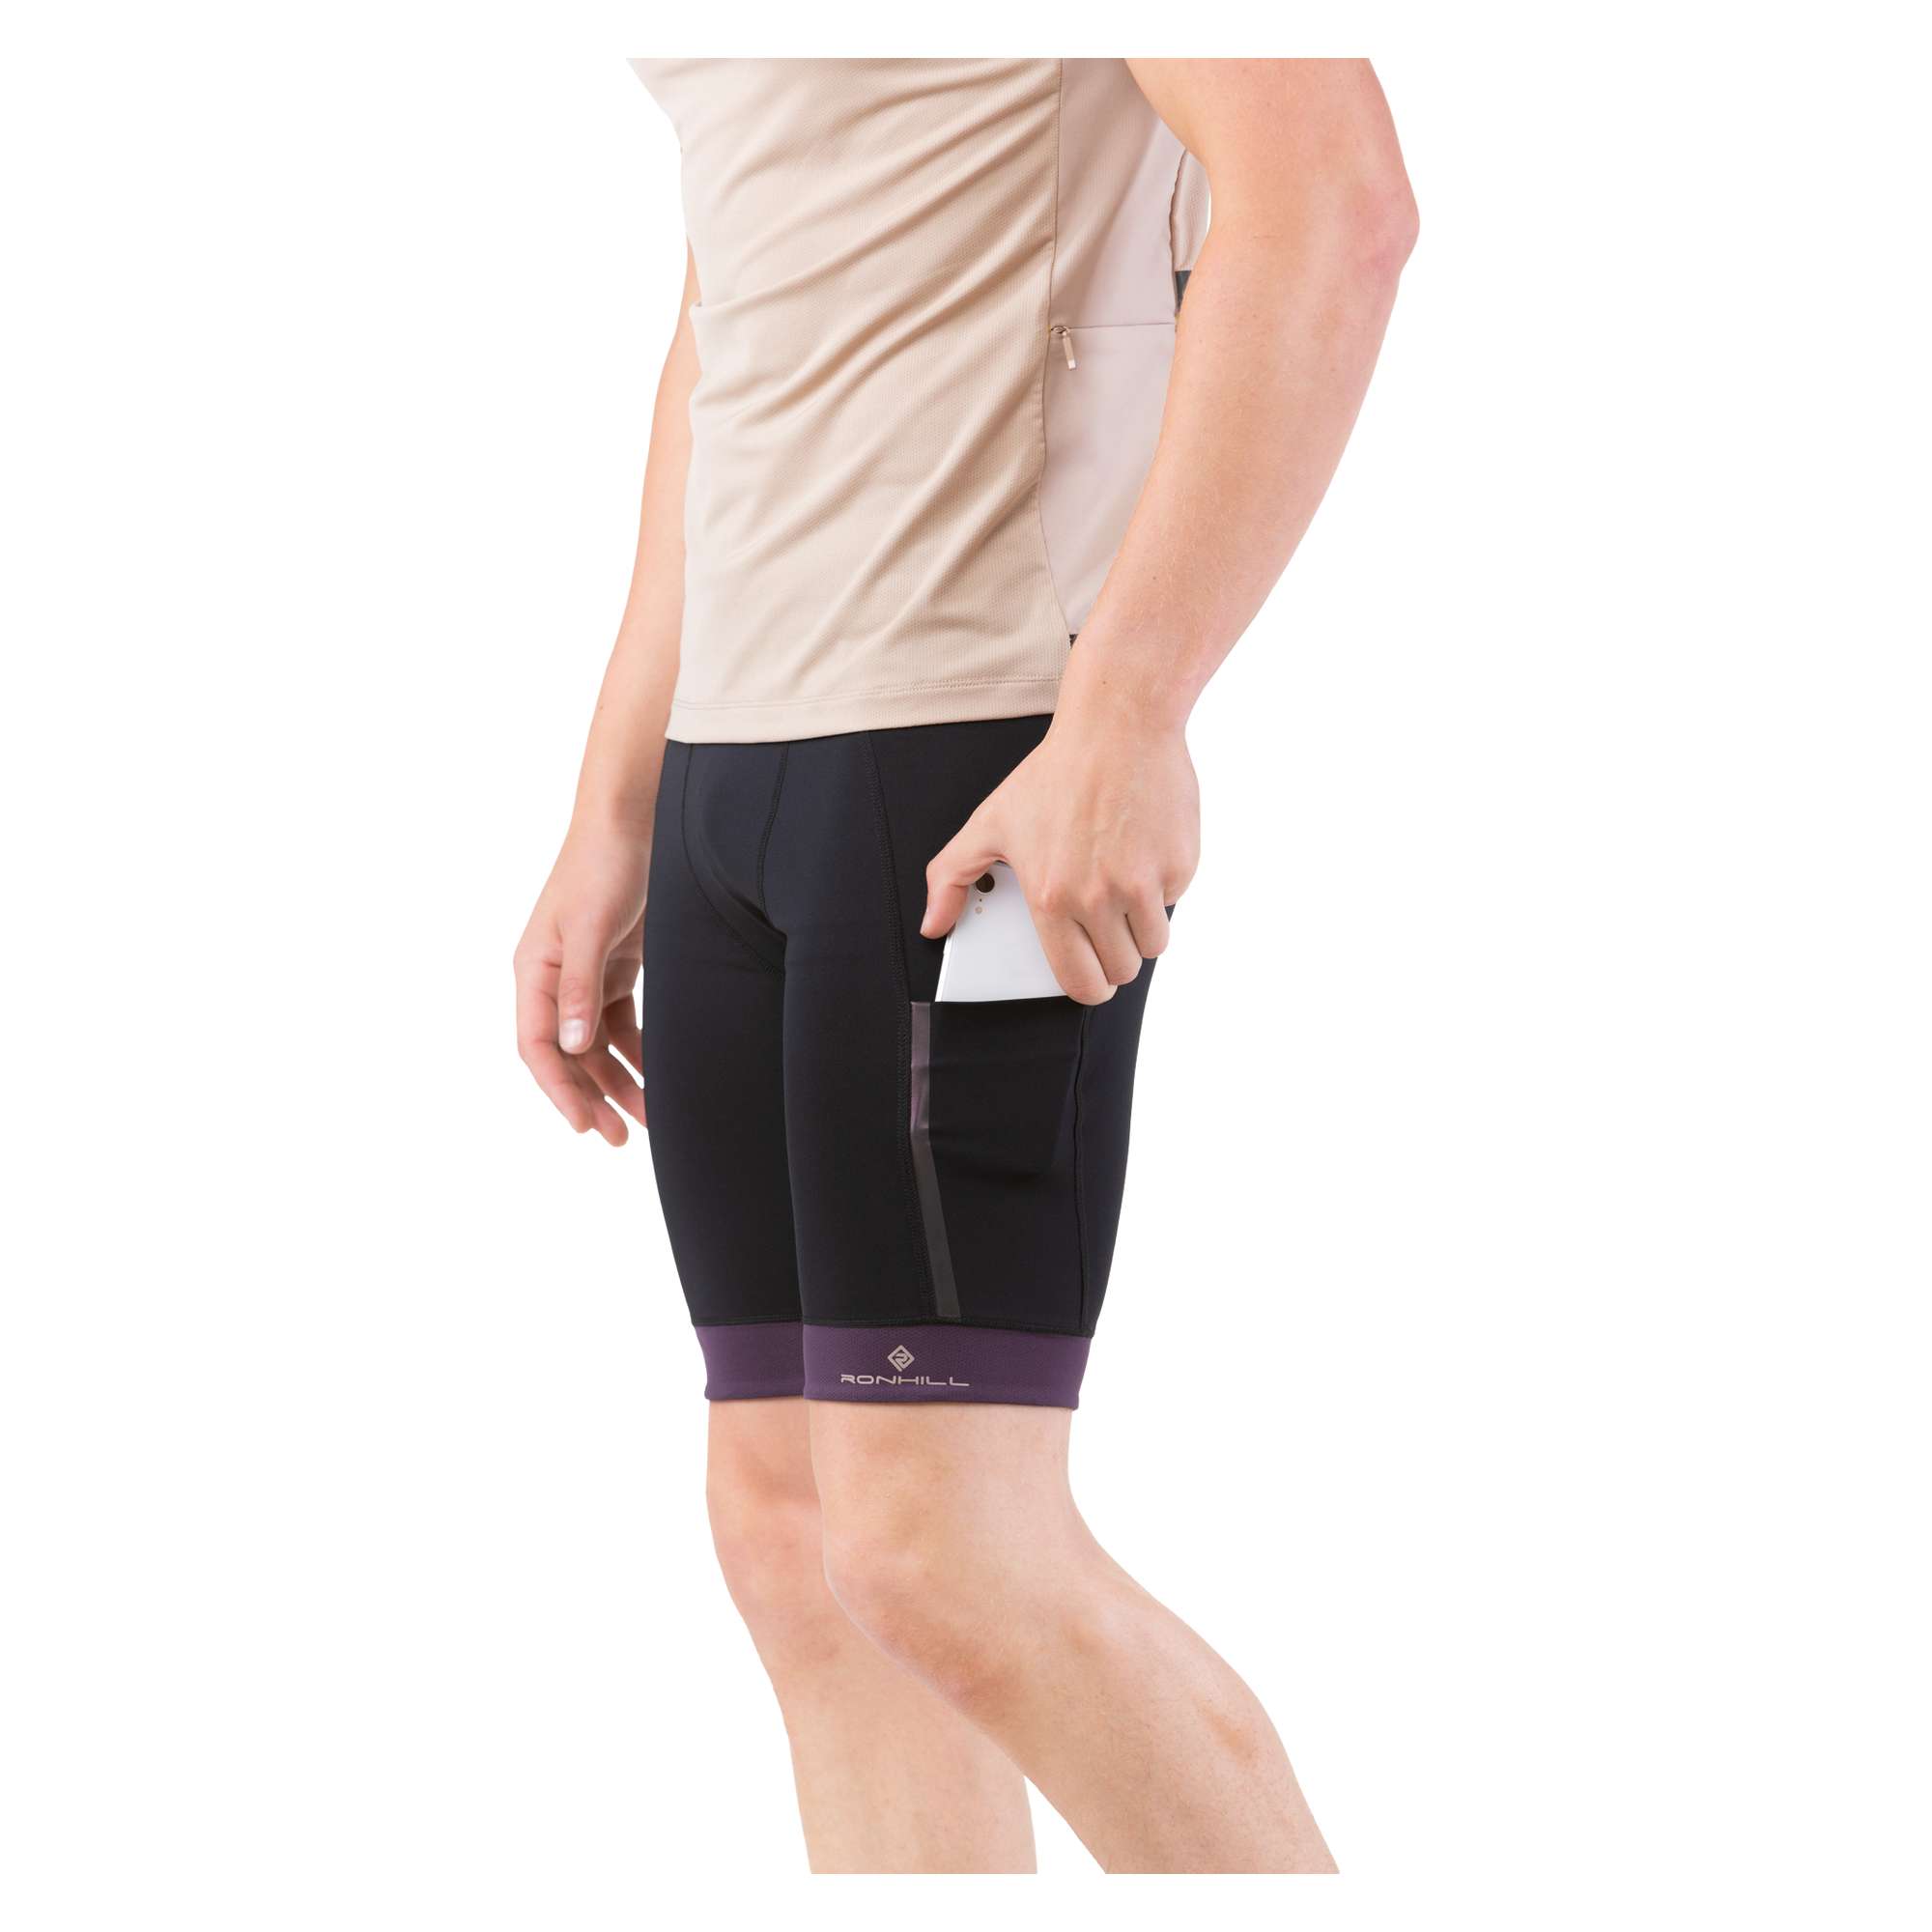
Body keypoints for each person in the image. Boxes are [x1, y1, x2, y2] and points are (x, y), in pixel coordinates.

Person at [514, 57, 1415, 1874]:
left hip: (973, 748)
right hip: (733, 770)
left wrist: (1128, 710)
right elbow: (732, 303)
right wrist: (615, 802)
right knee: (793, 1538)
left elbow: (1333, 199)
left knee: (947, 1549)